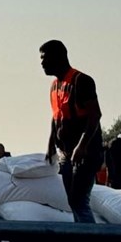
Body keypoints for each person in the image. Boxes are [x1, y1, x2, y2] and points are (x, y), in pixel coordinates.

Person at [40, 40, 102, 224]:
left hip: (85, 153)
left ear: (58, 57)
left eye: (45, 58)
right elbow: (56, 117)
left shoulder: (81, 81)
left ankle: (89, 237)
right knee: (73, 201)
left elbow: (95, 115)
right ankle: (81, 233)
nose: (42, 63)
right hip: (65, 153)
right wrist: (51, 145)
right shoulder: (55, 86)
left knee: (79, 200)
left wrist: (81, 146)